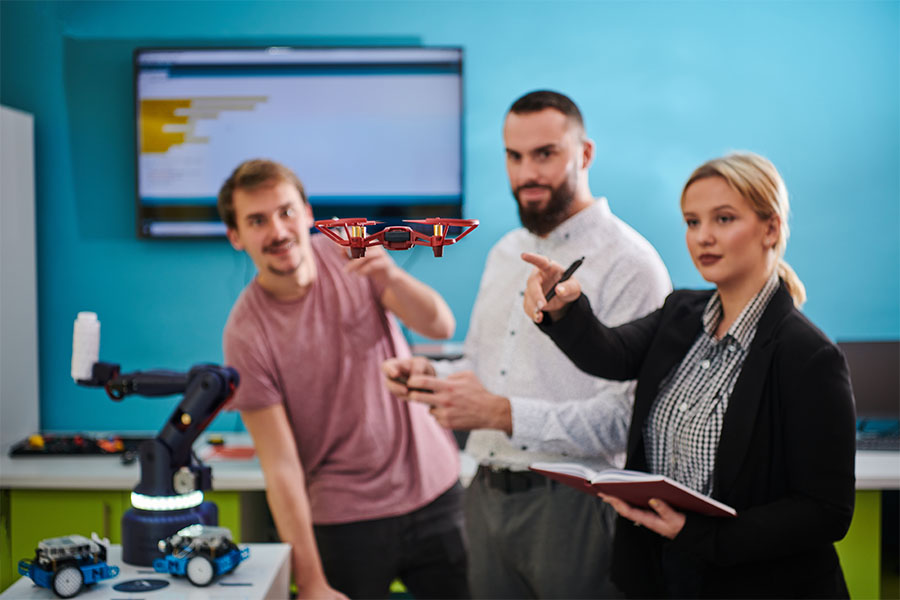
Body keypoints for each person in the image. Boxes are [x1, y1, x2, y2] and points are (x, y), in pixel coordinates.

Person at [522, 152, 856, 598]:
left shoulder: (809, 356)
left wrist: (696, 534)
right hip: (662, 576)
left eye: (723, 219)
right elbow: (611, 355)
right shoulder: (681, 312)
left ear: (771, 228)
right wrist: (565, 309)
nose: (703, 237)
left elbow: (825, 511)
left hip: (755, 584)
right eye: (692, 222)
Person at [383, 90, 671, 598]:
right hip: (484, 499)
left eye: (545, 154)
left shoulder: (632, 264)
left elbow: (628, 421)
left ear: (584, 154)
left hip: (576, 509)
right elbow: (481, 366)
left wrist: (502, 414)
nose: (526, 173)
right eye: (514, 157)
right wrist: (436, 382)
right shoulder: (504, 253)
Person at [218, 159, 470, 600]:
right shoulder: (245, 333)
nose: (278, 231)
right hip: (345, 519)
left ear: (308, 212)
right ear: (236, 236)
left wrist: (391, 275)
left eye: (286, 211)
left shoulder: (349, 253)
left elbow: (440, 326)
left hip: (435, 493)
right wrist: (311, 582)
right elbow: (280, 467)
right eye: (257, 221)